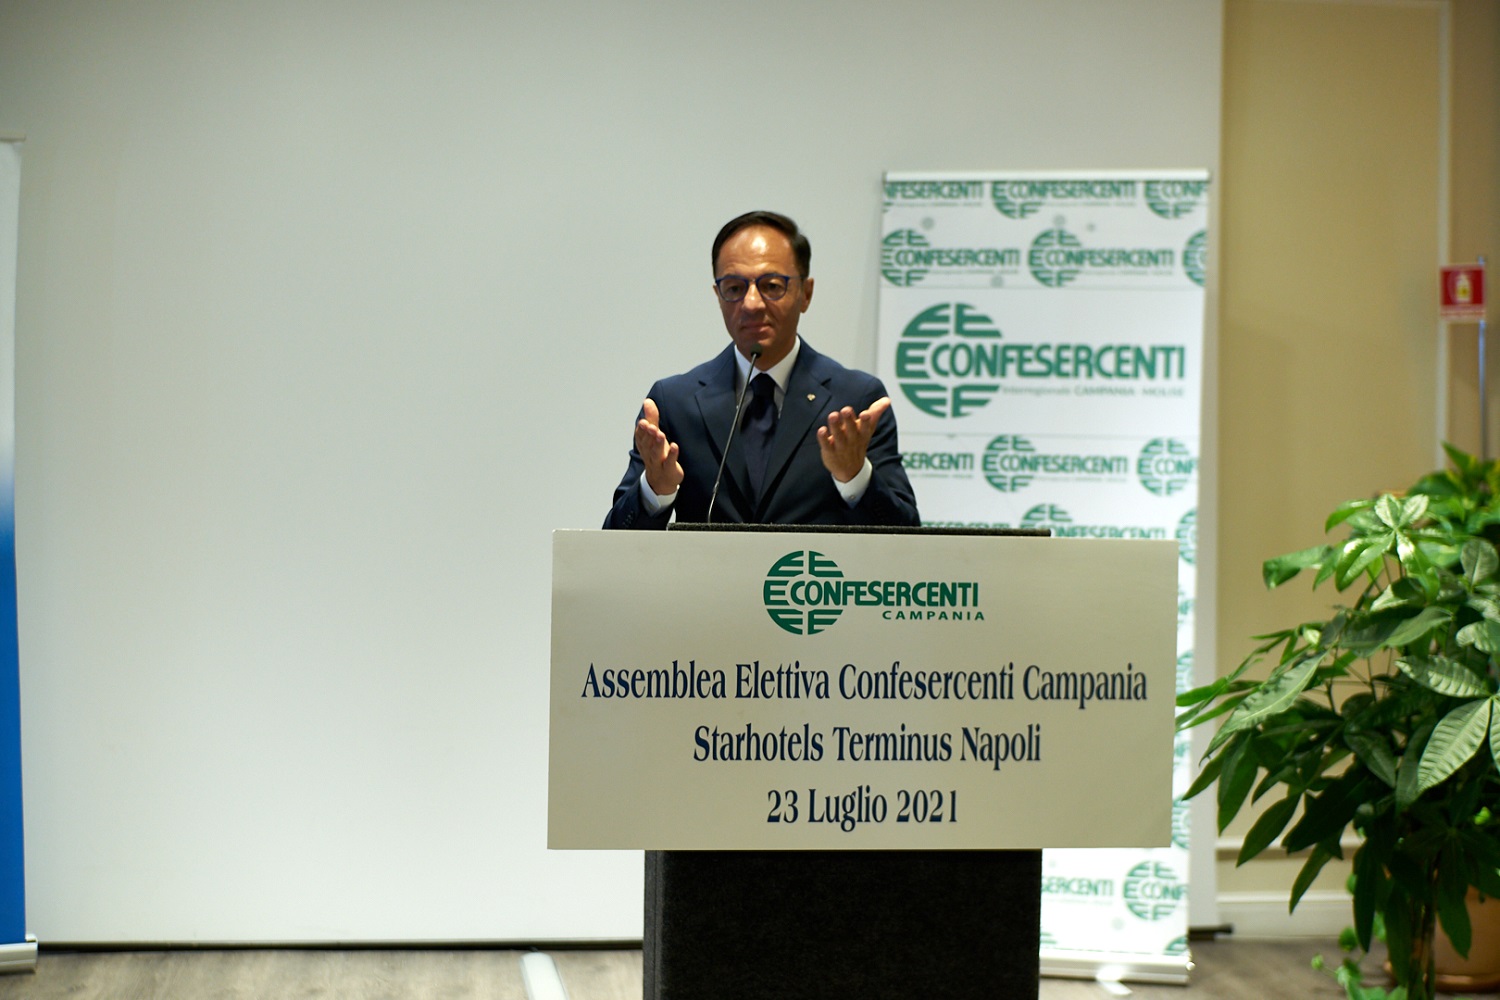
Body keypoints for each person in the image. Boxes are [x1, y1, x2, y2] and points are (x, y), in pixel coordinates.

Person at [604, 210, 919, 529]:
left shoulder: (855, 401)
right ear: (718, 296)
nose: (751, 304)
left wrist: (855, 478)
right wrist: (654, 491)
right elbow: (615, 541)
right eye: (734, 288)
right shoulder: (674, 403)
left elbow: (907, 535)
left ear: (806, 293)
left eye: (771, 285)